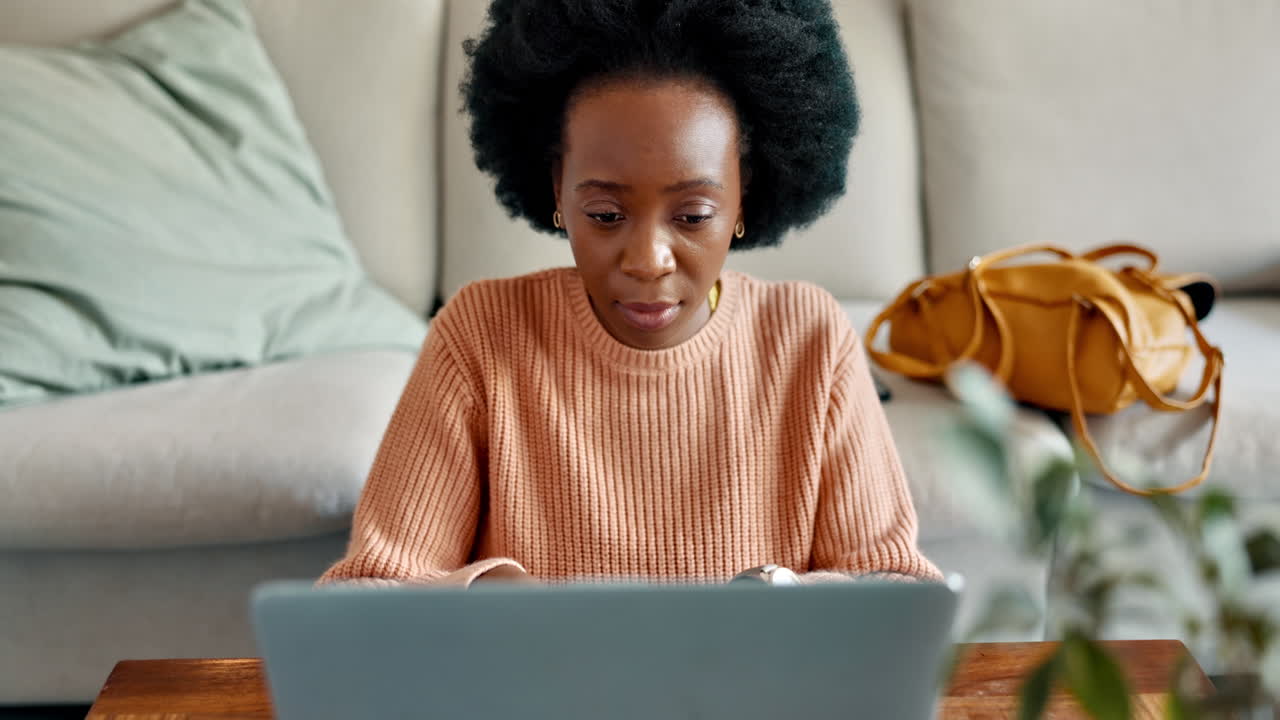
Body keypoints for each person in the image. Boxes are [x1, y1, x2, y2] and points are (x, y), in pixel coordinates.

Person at [319, 0, 941, 588]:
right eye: (606, 214)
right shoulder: (481, 334)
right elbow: (365, 595)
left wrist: (779, 600)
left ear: (743, 195)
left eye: (694, 215)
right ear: (559, 188)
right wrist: (487, 597)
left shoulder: (811, 338)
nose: (648, 262)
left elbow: (898, 590)